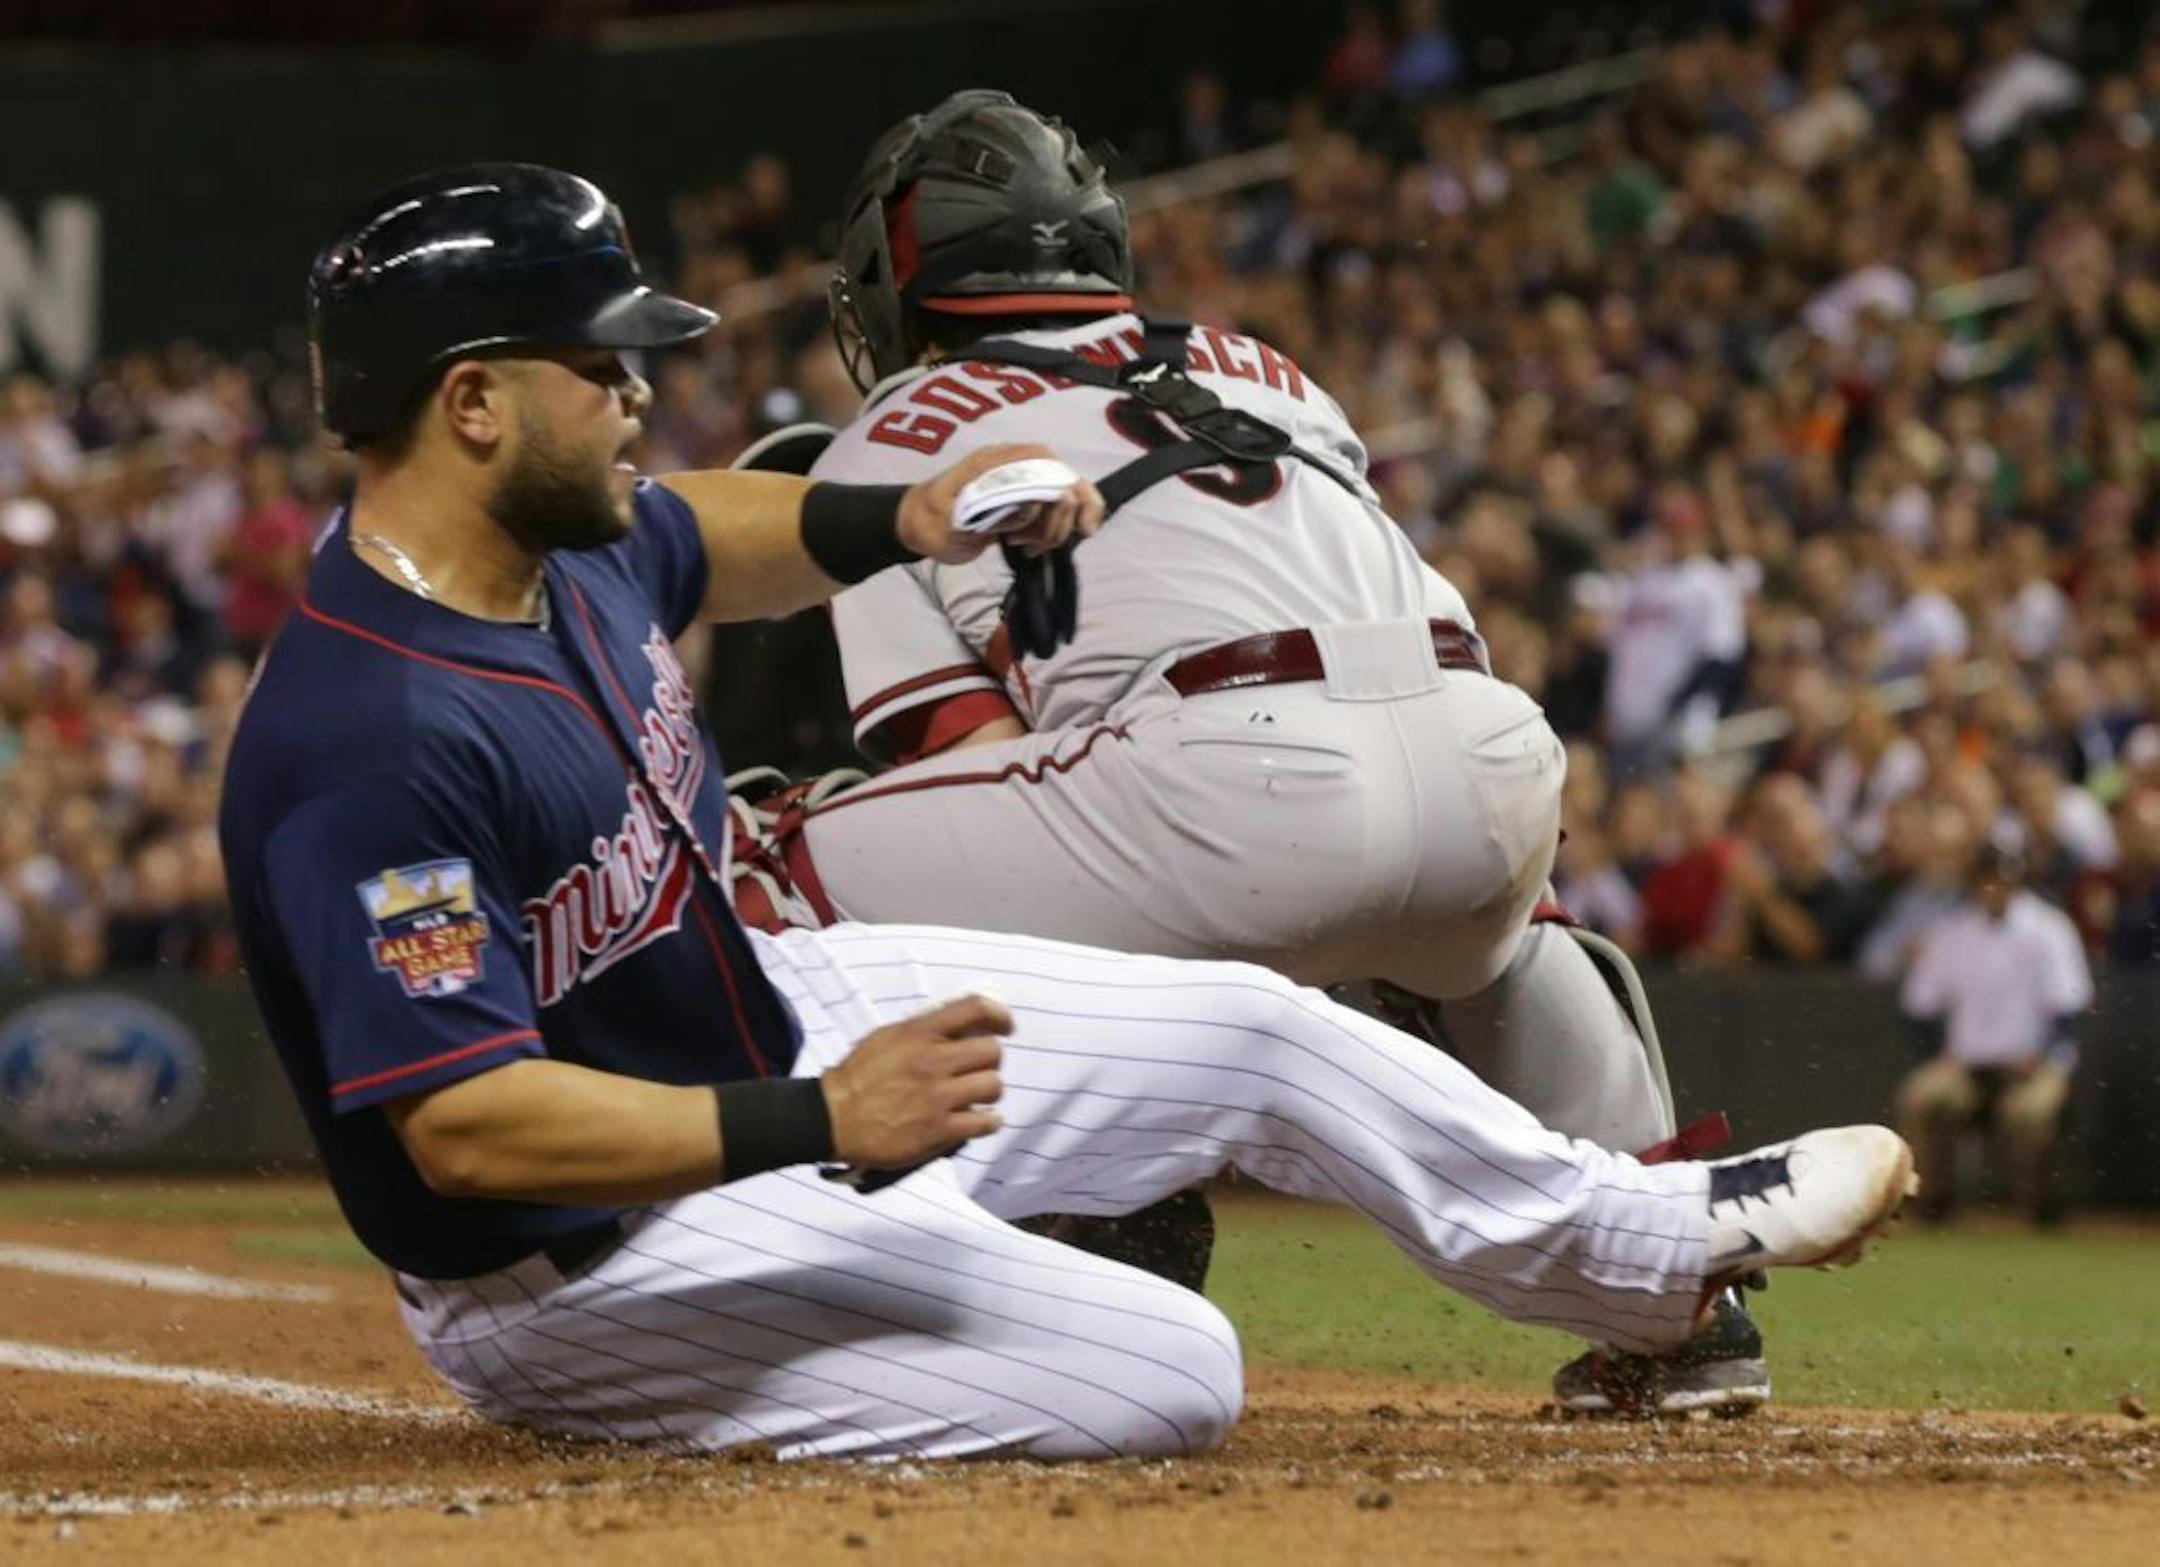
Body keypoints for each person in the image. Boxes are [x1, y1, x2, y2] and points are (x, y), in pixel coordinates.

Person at [216, 162, 1917, 1461]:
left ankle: (1649, 1245)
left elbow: (715, 529)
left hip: (749, 1027)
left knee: (1259, 1030)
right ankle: (824, 1303)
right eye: (603, 364)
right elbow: (471, 1128)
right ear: (472, 402)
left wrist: (918, 511)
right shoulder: (372, 735)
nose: (641, 392)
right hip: (580, 1254)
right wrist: (822, 1125)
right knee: (1169, 1375)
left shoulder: (580, 545)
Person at [750, 91, 1785, 1415]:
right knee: (1506, 934)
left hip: (1219, 779)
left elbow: (964, 753)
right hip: (1490, 753)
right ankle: (1684, 1303)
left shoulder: (888, 438)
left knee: (774, 857)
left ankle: (885, 1266)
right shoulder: (1261, 366)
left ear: (904, 282)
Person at [1897, 842, 2092, 1225]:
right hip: (1968, 1067)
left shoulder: (2048, 928)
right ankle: (1932, 1206)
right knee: (1919, 1097)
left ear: (2018, 881)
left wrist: (2046, 1055)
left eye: (2002, 879)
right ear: (1974, 882)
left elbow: (2070, 1006)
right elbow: (1918, 1005)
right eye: (1986, 879)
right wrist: (1937, 1054)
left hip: (2033, 1065)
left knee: (2030, 1114)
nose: (1994, 887)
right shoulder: (1954, 931)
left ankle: (2042, 1212)